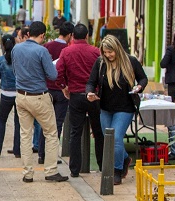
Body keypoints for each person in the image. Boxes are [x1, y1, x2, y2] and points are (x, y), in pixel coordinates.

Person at [86, 35, 148, 185]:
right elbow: (91, 82)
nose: (108, 55)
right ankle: (125, 158)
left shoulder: (130, 61)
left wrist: (139, 87)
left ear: (117, 49)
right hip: (105, 107)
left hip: (125, 108)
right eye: (105, 52)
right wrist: (89, 93)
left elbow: (143, 78)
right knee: (108, 139)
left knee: (116, 138)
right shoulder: (101, 63)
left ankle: (117, 170)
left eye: (110, 52)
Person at [11, 22, 66, 183]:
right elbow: (53, 75)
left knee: (25, 135)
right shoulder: (42, 51)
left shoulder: (16, 49)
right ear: (42, 35)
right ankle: (50, 170)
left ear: (28, 34)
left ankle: (28, 173)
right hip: (39, 96)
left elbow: (15, 71)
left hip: (21, 96)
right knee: (50, 133)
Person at [55, 23, 103, 177]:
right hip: (94, 96)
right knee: (98, 131)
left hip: (75, 95)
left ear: (73, 36)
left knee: (75, 133)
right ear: (87, 36)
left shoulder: (66, 51)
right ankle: (103, 165)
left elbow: (59, 71)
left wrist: (64, 86)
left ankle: (75, 169)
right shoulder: (95, 52)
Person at [38, 21, 73, 164]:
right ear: (70, 35)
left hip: (46, 89)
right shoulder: (68, 50)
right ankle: (51, 155)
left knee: (44, 122)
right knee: (57, 123)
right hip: (62, 90)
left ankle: (41, 153)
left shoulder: (47, 46)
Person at [0, 34, 20, 158]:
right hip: (19, 93)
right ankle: (18, 150)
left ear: (2, 45)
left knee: (1, 120)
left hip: (6, 93)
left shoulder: (0, 60)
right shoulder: (19, 58)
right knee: (19, 123)